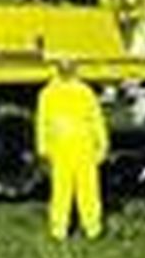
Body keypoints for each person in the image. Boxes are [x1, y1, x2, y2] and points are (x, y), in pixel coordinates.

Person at [35, 59, 108, 240]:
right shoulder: (84, 91)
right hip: (81, 143)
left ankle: (61, 229)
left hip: (64, 144)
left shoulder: (48, 93)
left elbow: (42, 121)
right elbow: (96, 119)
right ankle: (91, 228)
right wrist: (102, 144)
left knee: (65, 189)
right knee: (85, 188)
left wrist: (43, 146)